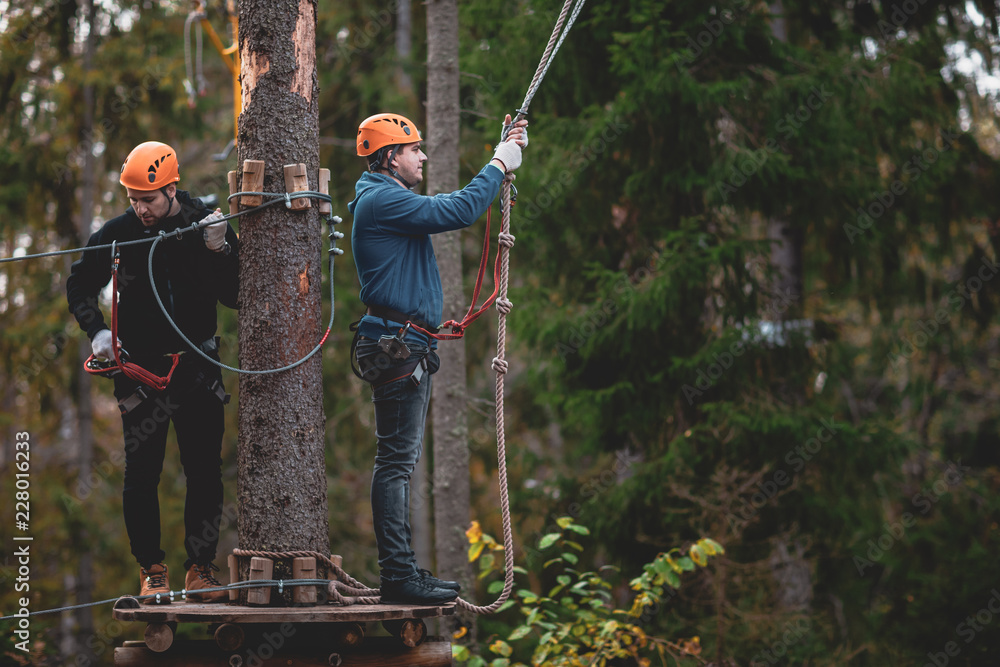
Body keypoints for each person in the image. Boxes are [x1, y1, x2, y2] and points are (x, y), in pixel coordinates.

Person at [349, 112, 526, 605]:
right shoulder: (383, 199)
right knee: (397, 464)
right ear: (390, 157)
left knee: (398, 463)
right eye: (413, 150)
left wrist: (503, 154)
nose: (422, 157)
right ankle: (398, 575)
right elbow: (459, 210)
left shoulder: (384, 197)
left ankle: (401, 572)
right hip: (398, 347)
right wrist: (497, 164)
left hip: (404, 344)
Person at [66, 141, 239, 604]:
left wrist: (220, 249)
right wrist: (97, 332)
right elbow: (79, 283)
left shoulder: (205, 224)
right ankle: (152, 570)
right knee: (142, 474)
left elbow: (236, 295)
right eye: (134, 199)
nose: (140, 209)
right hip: (139, 375)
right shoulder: (118, 233)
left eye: (148, 199)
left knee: (203, 470)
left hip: (197, 369)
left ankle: (201, 569)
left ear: (171, 187)